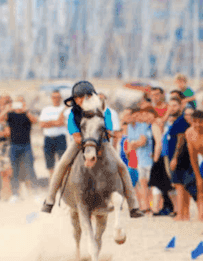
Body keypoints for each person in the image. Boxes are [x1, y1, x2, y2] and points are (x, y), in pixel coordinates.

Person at [42, 81, 144, 217]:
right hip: (80, 143)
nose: (78, 101)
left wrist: (97, 142)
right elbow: (76, 135)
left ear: (90, 97)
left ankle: (133, 205)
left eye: (81, 97)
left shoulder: (104, 111)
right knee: (62, 164)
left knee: (121, 166)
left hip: (102, 142)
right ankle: (50, 199)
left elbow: (107, 130)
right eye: (76, 98)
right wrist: (88, 143)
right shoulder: (74, 113)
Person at [4, 96, 37, 198]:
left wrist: (26, 110)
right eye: (18, 102)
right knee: (14, 170)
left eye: (21, 102)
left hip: (26, 145)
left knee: (29, 169)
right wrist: (7, 109)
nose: (19, 104)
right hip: (14, 145)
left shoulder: (27, 114)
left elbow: (35, 121)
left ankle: (32, 192)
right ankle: (15, 194)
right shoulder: (10, 114)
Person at [127, 107, 155, 212]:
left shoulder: (143, 126)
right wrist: (135, 143)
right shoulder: (129, 127)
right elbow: (131, 144)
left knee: (150, 184)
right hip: (140, 159)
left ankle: (153, 206)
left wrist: (135, 143)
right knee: (142, 184)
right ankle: (146, 206)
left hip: (149, 158)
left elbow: (142, 141)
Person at [39, 90, 68, 177]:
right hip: (48, 138)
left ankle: (62, 181)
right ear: (51, 98)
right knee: (49, 163)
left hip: (60, 138)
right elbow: (42, 124)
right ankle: (51, 180)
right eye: (54, 97)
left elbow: (62, 122)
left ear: (61, 98)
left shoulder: (65, 109)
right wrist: (56, 122)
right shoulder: (46, 110)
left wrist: (50, 122)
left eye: (58, 97)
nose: (56, 99)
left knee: (63, 161)